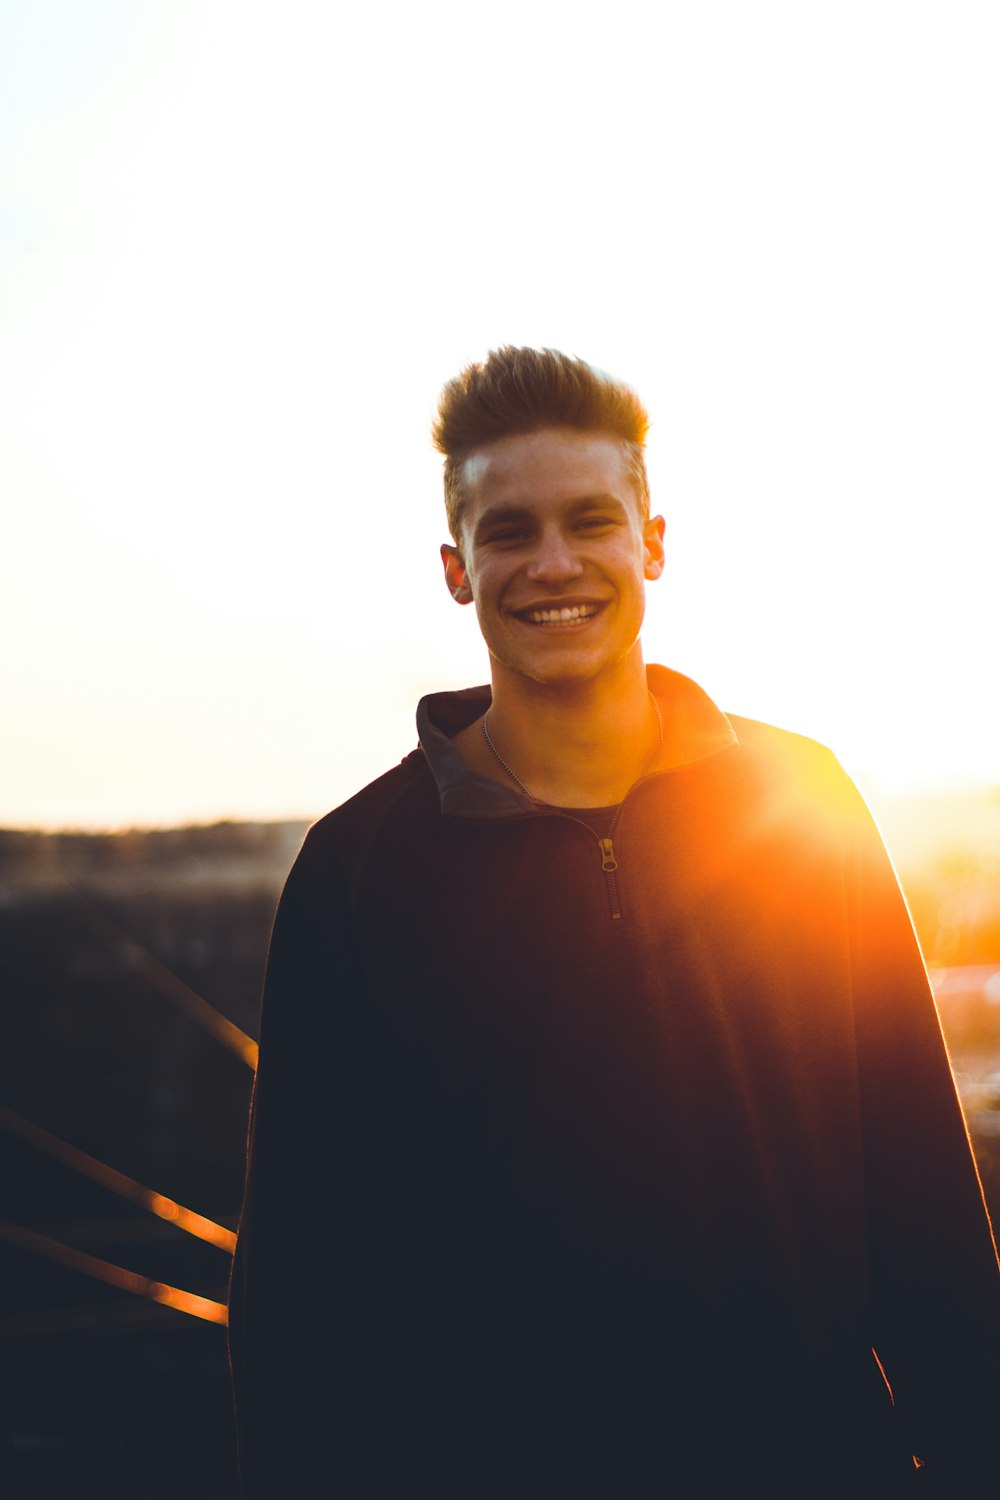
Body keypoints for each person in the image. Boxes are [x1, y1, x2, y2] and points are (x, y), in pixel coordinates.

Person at [228, 347, 1000, 1496]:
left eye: (590, 521)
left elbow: (918, 1187)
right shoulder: (358, 870)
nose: (552, 564)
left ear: (651, 542)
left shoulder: (802, 803)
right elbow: (303, 1283)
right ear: (455, 567)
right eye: (508, 531)